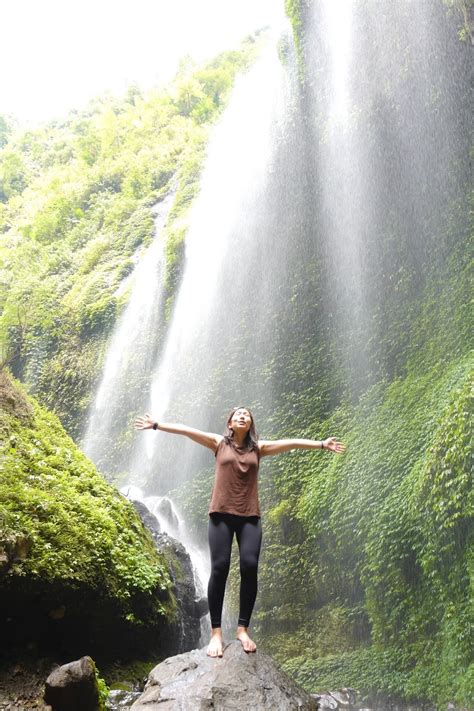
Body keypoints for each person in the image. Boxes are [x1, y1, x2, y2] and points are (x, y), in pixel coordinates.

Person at [134, 406, 345, 658]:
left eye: (247, 414)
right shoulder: (218, 443)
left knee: (249, 565)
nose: (242, 415)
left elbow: (290, 444)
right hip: (221, 515)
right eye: (237, 414)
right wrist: (158, 425)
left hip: (250, 517)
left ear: (251, 423)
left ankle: (242, 629)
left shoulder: (259, 448)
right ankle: (216, 632)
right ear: (230, 424)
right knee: (220, 568)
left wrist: (322, 444)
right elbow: (188, 431)